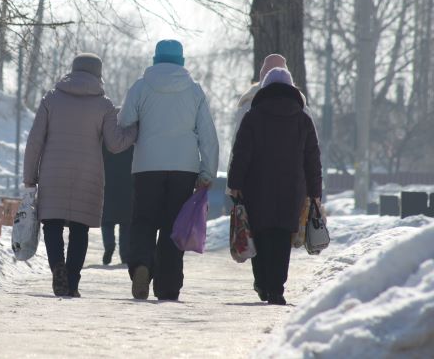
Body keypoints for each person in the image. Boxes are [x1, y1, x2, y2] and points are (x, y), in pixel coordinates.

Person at [23, 53, 137, 298]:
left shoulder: (51, 99)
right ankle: (72, 282)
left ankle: (57, 268)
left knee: (52, 225)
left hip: (53, 173)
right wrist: (135, 130)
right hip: (88, 175)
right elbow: (115, 144)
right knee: (79, 229)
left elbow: (35, 141)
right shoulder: (104, 105)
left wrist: (29, 177)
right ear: (98, 74)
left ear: (72, 70)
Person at [119, 40, 219, 301]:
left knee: (143, 220)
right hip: (183, 168)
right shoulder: (194, 91)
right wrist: (207, 172)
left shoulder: (141, 86)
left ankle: (141, 264)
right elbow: (208, 136)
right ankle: (168, 285)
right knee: (174, 225)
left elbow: (124, 121)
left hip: (146, 166)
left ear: (155, 58)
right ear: (182, 61)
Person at [227, 67, 322, 305]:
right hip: (292, 189)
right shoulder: (303, 119)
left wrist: (235, 183)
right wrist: (315, 192)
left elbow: (241, 153)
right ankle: (276, 288)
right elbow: (312, 159)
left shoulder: (253, 116)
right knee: (281, 237)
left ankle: (262, 283)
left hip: (257, 187)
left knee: (258, 233)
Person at [101, 145, 134, 265]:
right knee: (126, 224)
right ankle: (125, 254)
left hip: (108, 182)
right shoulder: (131, 142)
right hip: (127, 185)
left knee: (106, 221)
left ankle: (109, 245)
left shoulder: (107, 141)